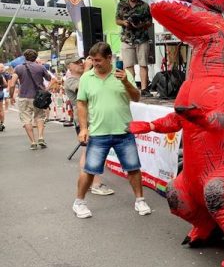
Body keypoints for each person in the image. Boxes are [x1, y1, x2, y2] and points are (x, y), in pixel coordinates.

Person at [72, 42, 150, 219]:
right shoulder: (86, 77)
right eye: (92, 60)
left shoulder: (124, 74)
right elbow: (81, 103)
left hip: (123, 131)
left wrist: (125, 82)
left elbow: (136, 97)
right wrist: (83, 128)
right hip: (98, 133)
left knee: (133, 168)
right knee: (90, 170)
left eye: (98, 60)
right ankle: (79, 202)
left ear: (109, 58)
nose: (95, 63)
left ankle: (140, 200)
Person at [63, 54, 114, 196]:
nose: (81, 63)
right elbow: (82, 89)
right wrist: (86, 68)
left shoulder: (86, 76)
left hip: (93, 119)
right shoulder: (71, 80)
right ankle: (95, 183)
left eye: (81, 61)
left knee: (90, 151)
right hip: (84, 120)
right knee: (91, 152)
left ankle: (90, 182)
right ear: (69, 66)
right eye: (76, 62)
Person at [8, 49, 53, 149]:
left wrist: (11, 96)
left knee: (26, 120)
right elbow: (50, 79)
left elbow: (12, 84)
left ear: (24, 57)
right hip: (38, 97)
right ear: (35, 57)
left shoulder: (18, 68)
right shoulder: (40, 67)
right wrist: (46, 89)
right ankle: (41, 137)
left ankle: (33, 142)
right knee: (39, 117)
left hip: (23, 97)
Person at [116, 0, 153, 97]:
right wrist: (124, 22)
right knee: (128, 65)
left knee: (143, 64)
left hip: (142, 38)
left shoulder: (144, 6)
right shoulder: (121, 5)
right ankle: (132, 88)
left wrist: (140, 25)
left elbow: (149, 22)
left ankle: (144, 89)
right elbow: (117, 20)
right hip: (127, 38)